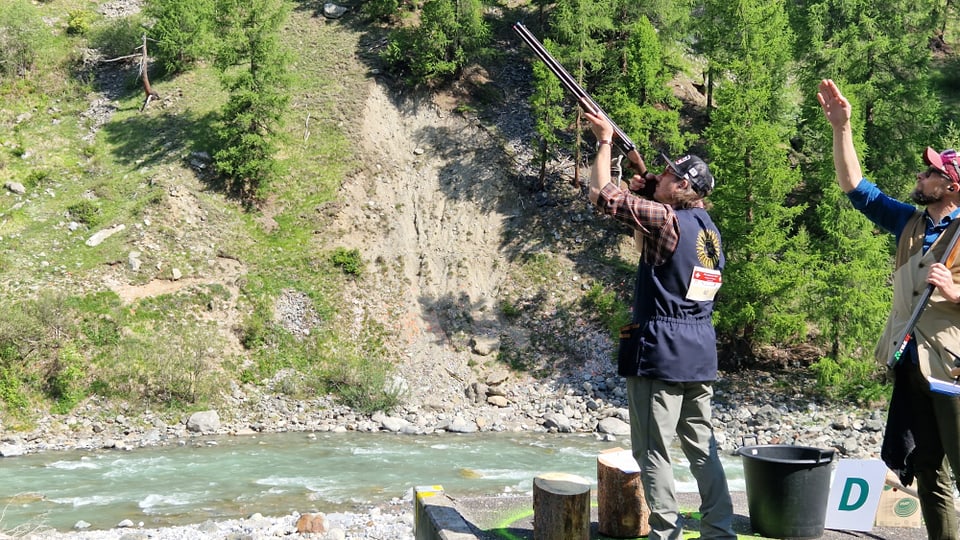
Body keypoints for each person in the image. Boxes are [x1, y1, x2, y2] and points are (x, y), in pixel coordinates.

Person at [582, 107, 735, 540]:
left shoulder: (666, 220)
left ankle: (664, 533)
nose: (661, 178)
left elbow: (602, 194)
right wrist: (646, 176)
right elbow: (661, 205)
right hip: (699, 351)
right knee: (703, 450)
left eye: (669, 176)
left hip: (661, 351)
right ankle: (719, 532)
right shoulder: (708, 227)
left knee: (652, 451)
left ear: (683, 186)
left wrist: (605, 142)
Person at [818, 78, 960, 540]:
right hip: (913, 363)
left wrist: (957, 294)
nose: (921, 176)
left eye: (931, 172)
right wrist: (843, 128)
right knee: (928, 470)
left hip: (955, 369)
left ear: (952, 184)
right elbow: (855, 186)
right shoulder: (910, 221)